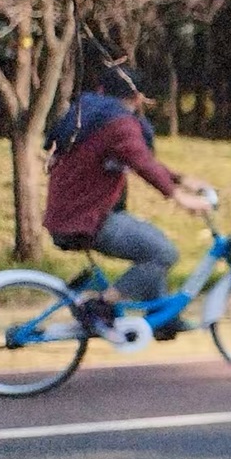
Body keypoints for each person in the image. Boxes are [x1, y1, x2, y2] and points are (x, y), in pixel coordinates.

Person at [43, 65, 213, 338]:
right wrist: (179, 197)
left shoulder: (93, 116)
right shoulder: (119, 123)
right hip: (87, 220)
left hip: (73, 215)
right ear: (138, 98)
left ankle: (161, 319)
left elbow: (138, 159)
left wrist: (181, 179)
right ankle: (101, 306)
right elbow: (141, 162)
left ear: (102, 91)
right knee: (163, 253)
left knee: (152, 240)